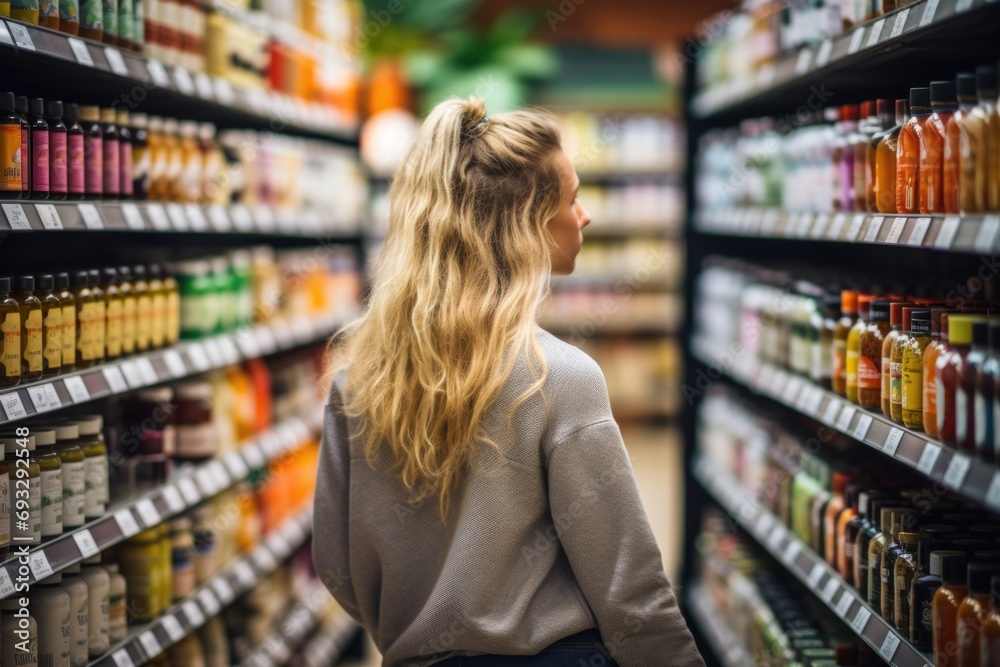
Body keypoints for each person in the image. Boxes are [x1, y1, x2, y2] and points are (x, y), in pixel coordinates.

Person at [313, 96, 705, 667]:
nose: (585, 215)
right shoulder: (561, 377)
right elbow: (630, 592)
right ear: (529, 224)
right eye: (572, 198)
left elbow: (338, 567)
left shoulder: (357, 380)